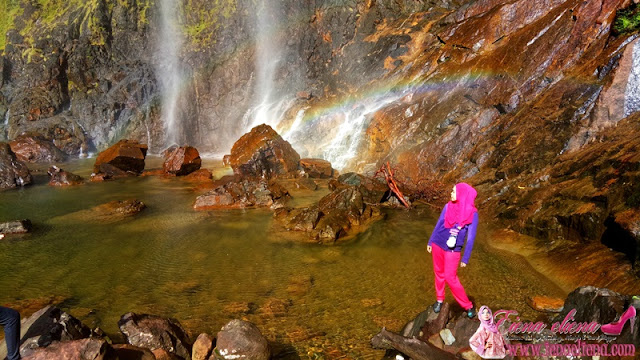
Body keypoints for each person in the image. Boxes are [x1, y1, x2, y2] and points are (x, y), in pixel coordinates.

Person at [427, 182, 478, 318]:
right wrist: (430, 241)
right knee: (438, 273)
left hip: (453, 249)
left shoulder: (472, 214)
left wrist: (465, 257)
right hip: (438, 242)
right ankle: (439, 299)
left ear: (462, 195)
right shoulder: (448, 206)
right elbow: (439, 223)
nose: (451, 193)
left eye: (454, 191)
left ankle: (468, 305)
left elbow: (471, 238)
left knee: (451, 278)